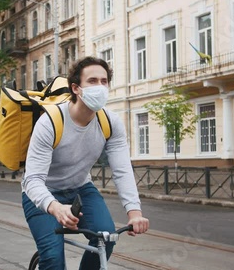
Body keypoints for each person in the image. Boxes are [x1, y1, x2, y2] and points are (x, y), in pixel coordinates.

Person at [21, 56, 150, 270]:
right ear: (76, 88)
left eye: (104, 81)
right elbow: (33, 179)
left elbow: (122, 170)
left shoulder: (110, 122)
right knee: (53, 258)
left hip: (81, 189)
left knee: (106, 237)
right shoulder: (50, 122)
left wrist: (134, 212)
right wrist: (55, 207)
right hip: (42, 193)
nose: (100, 86)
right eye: (92, 81)